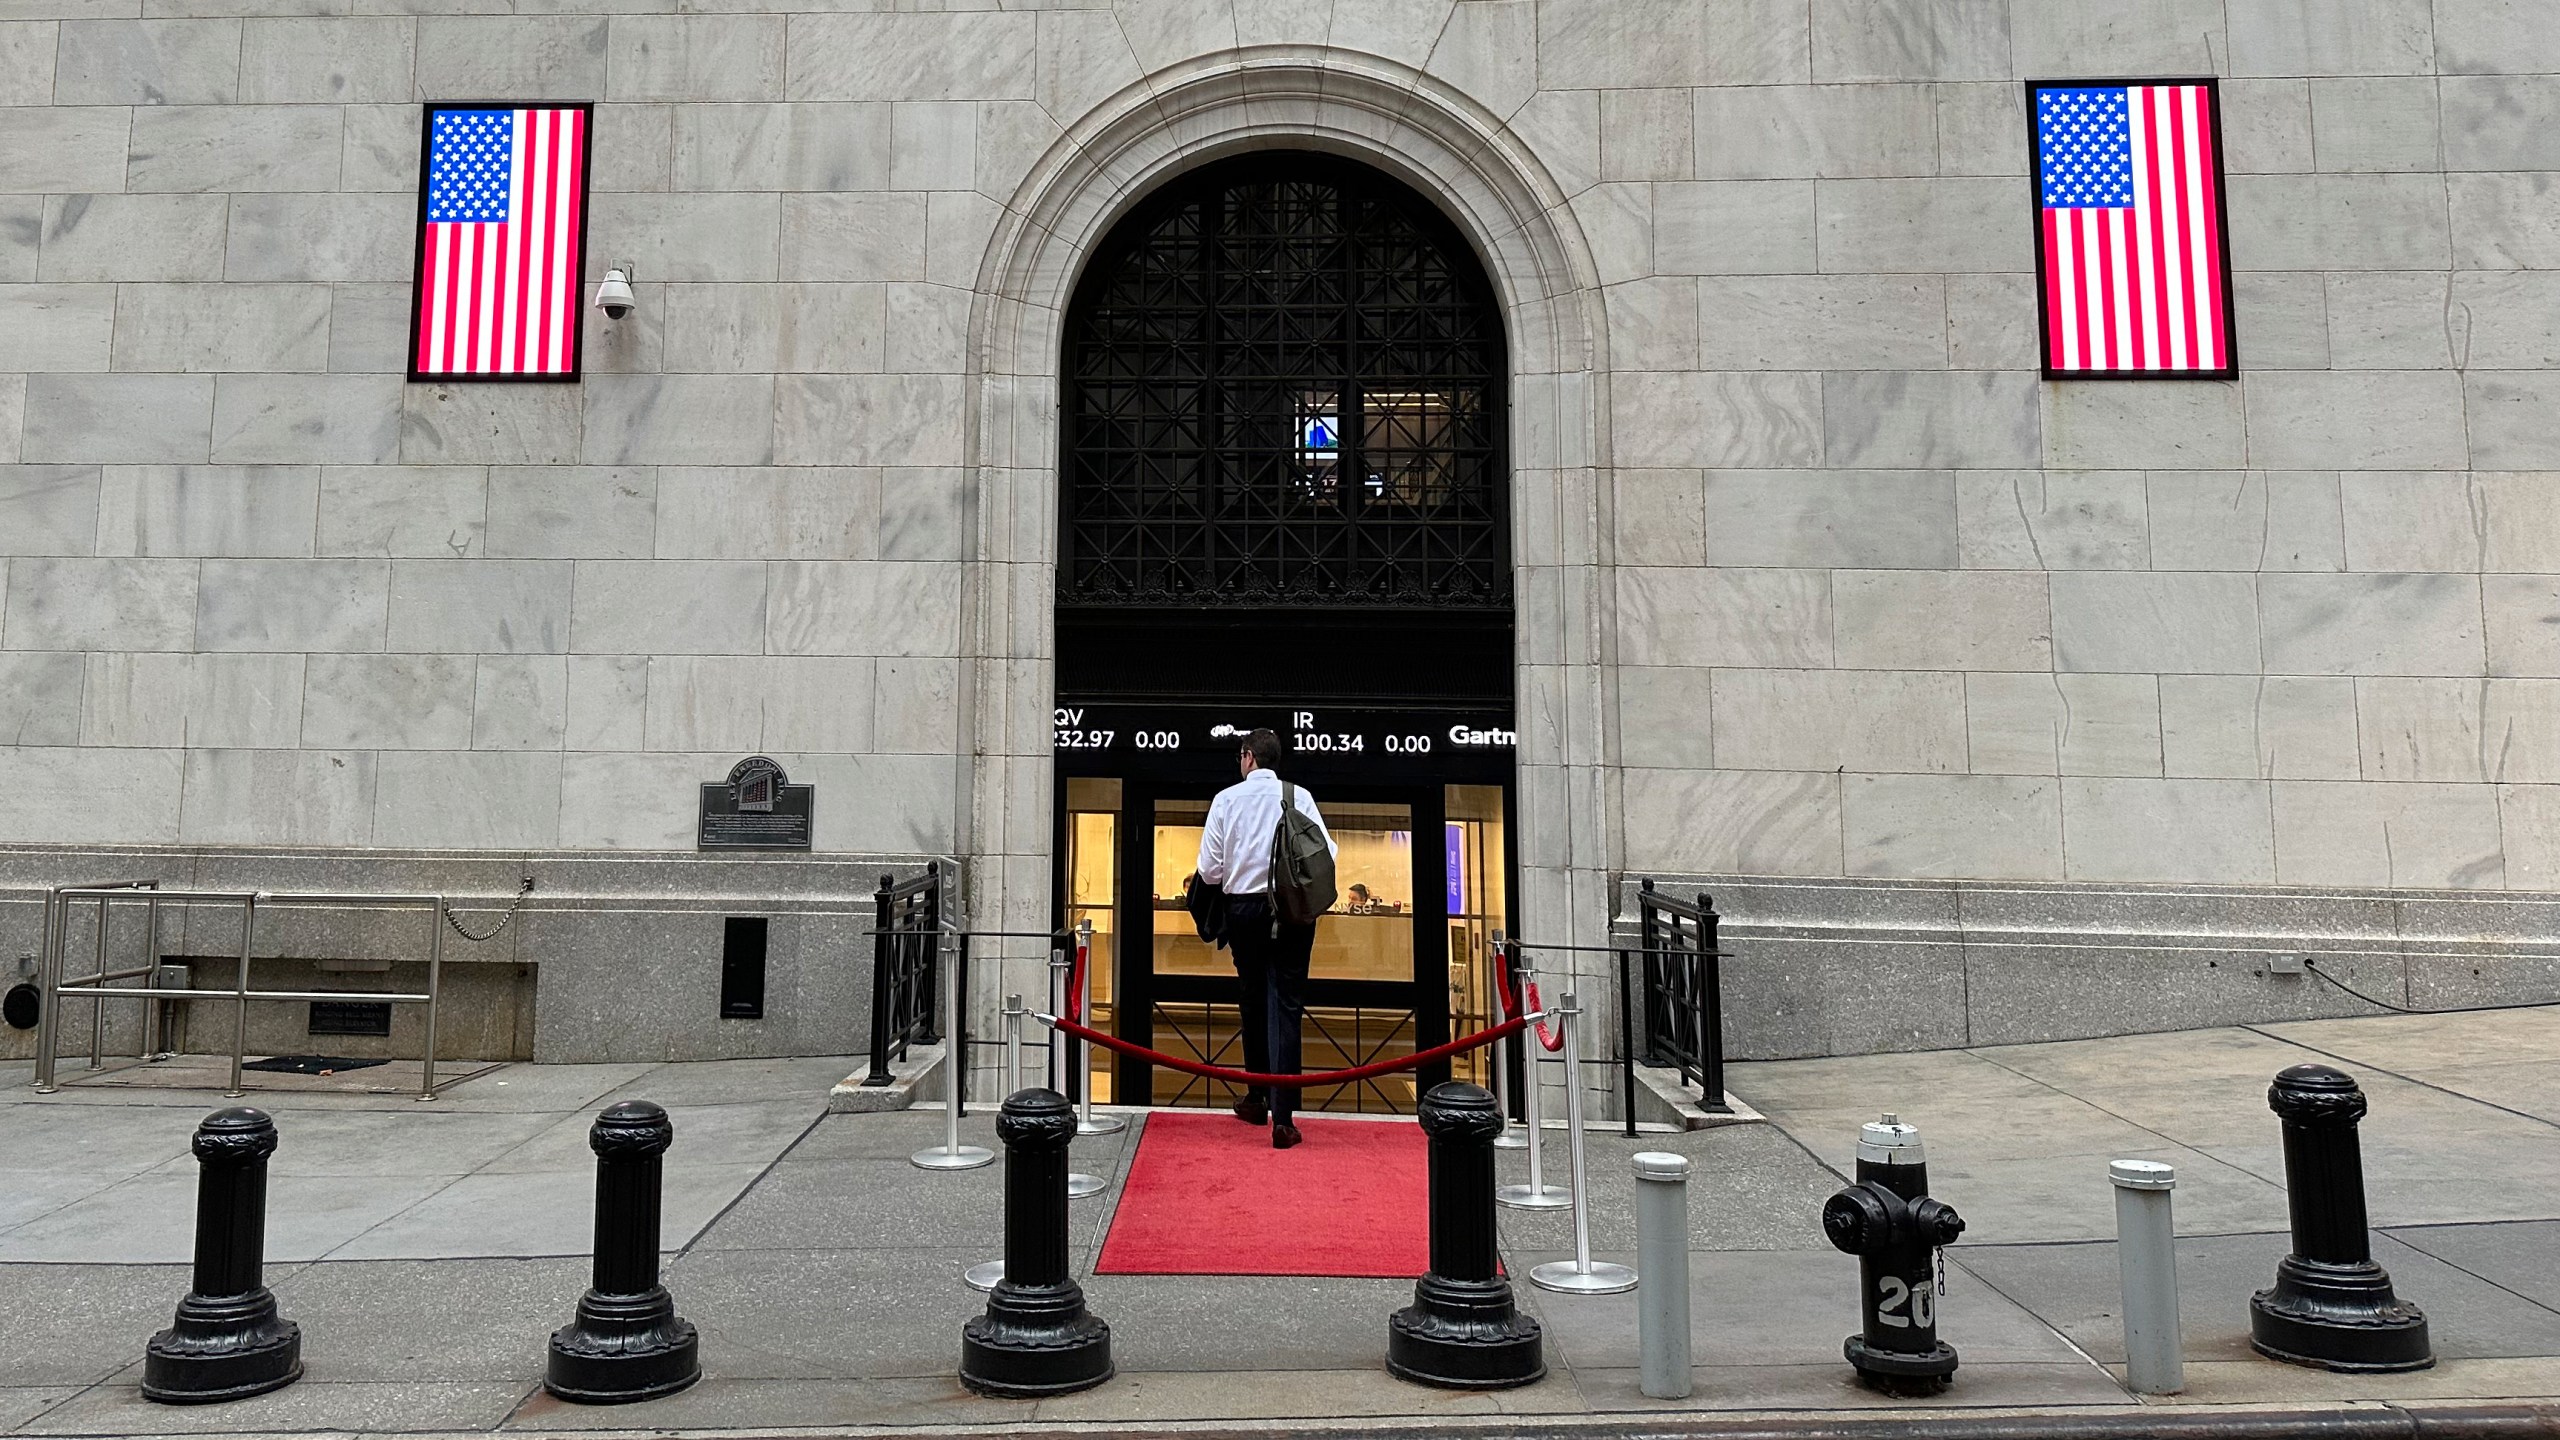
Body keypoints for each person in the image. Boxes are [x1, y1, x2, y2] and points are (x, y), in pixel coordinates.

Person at [1194, 727, 1335, 1149]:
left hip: (1244, 910)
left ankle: (1255, 1098)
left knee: (1252, 999)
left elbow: (1209, 871)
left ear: (1248, 756)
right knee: (1287, 1006)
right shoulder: (1299, 797)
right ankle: (1285, 1119)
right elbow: (1327, 852)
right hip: (1292, 911)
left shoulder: (1226, 800)